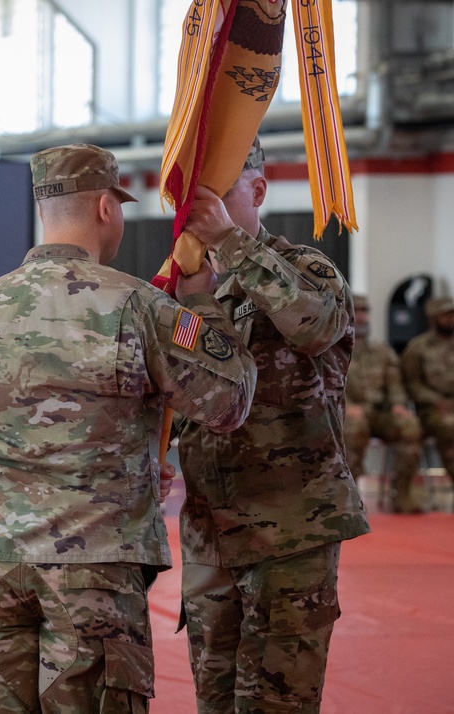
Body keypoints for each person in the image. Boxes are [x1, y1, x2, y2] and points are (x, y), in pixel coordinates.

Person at [0, 143, 256, 712]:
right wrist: (202, 304)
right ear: (107, 208)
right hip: (92, 567)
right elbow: (228, 401)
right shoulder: (137, 307)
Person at [176, 138, 370, 714]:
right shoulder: (188, 287)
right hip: (210, 534)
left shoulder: (309, 269)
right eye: (194, 194)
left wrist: (228, 243)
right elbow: (185, 392)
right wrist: (194, 304)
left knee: (277, 702)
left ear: (257, 190)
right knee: (215, 699)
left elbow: (314, 327)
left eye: (219, 189)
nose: (201, 204)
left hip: (291, 529)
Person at [343, 295, 424, 513]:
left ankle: (401, 493)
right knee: (353, 428)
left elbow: (395, 384)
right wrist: (347, 406)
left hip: (380, 413)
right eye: (357, 310)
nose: (361, 316)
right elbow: (328, 386)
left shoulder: (382, 351)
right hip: (348, 413)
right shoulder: (334, 349)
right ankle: (351, 497)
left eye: (365, 311)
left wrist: (399, 405)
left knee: (410, 426)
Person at [401, 295, 454, 489]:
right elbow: (411, 385)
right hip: (431, 410)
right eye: (446, 315)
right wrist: (435, 400)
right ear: (433, 318)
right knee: (450, 425)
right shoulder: (418, 348)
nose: (450, 319)